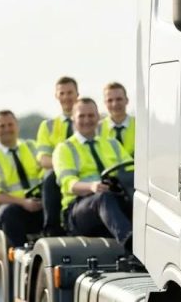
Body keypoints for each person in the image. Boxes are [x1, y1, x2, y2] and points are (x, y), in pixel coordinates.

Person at [53, 98, 133, 249]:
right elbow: (68, 183)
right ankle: (131, 244)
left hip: (114, 199)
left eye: (91, 115)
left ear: (98, 117)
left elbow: (131, 170)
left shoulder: (113, 144)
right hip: (79, 208)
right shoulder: (64, 149)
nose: (87, 120)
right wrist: (91, 186)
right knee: (103, 197)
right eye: (81, 116)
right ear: (73, 119)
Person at [0, 110, 44, 248]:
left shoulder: (32, 146)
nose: (7, 129)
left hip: (38, 203)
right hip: (12, 209)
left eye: (10, 125)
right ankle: (18, 252)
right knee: (9, 212)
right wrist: (24, 202)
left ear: (17, 126)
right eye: (2, 126)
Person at [35, 76, 78, 236]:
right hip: (57, 175)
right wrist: (67, 168)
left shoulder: (89, 122)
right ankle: (51, 229)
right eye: (62, 93)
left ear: (77, 94)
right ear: (56, 96)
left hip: (85, 172)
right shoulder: (47, 126)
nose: (66, 97)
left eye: (70, 92)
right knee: (50, 177)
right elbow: (44, 160)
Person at [99, 82, 135, 157]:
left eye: (119, 99)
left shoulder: (140, 126)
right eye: (110, 100)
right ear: (105, 103)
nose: (114, 104)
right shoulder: (97, 129)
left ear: (127, 100)